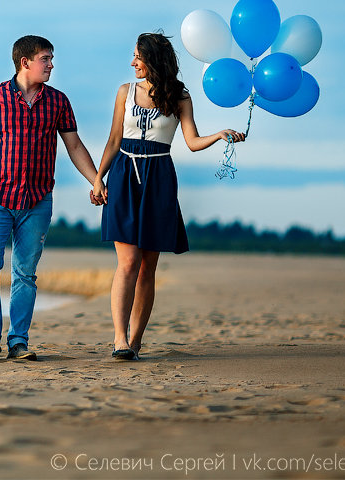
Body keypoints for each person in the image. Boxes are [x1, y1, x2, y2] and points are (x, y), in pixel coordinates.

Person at [90, 32, 245, 361]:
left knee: (148, 267)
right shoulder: (125, 92)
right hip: (124, 174)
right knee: (128, 263)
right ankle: (119, 339)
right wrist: (98, 179)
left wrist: (219, 135)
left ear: (153, 60)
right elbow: (114, 138)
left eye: (137, 57)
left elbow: (191, 141)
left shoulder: (180, 96)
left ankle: (135, 341)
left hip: (159, 177)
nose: (132, 62)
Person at [0, 35, 100, 361]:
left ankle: (18, 341)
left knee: (25, 273)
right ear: (25, 62)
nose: (51, 64)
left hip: (38, 200)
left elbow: (75, 146)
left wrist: (97, 180)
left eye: (51, 58)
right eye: (46, 58)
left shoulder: (58, 102)